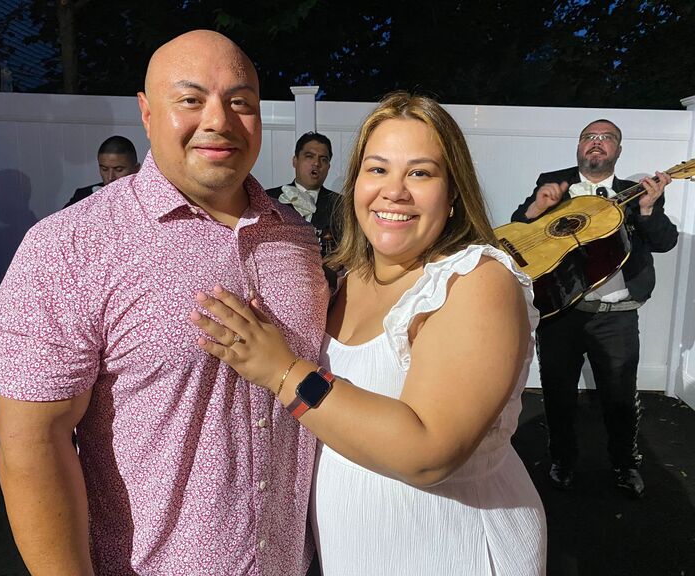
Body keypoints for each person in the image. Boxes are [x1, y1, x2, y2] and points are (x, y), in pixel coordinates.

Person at [0, 30, 328, 575]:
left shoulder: (296, 239)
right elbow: (33, 442)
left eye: (240, 102)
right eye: (191, 100)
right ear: (147, 113)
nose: (219, 120)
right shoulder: (70, 246)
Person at [191, 92, 547, 575]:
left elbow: (428, 452)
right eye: (377, 169)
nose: (394, 191)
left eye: (420, 173)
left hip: (456, 548)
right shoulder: (342, 280)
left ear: (454, 190)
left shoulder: (474, 281)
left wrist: (281, 370)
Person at [510, 119, 677, 498]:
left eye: (607, 138)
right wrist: (538, 207)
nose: (597, 143)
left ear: (618, 150)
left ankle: (625, 464)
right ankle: (562, 461)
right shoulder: (554, 183)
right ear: (579, 147)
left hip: (615, 314)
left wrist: (649, 211)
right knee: (558, 392)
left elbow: (664, 242)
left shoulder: (637, 193)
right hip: (560, 311)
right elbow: (517, 233)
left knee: (618, 396)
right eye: (589, 137)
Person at [265, 132, 339, 257]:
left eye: (323, 159)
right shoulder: (268, 199)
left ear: (328, 167)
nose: (316, 163)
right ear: (295, 161)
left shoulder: (340, 204)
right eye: (309, 156)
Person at [63, 135, 140, 207]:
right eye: (104, 169)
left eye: (118, 170)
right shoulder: (84, 196)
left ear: (136, 169)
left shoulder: (147, 199)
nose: (110, 177)